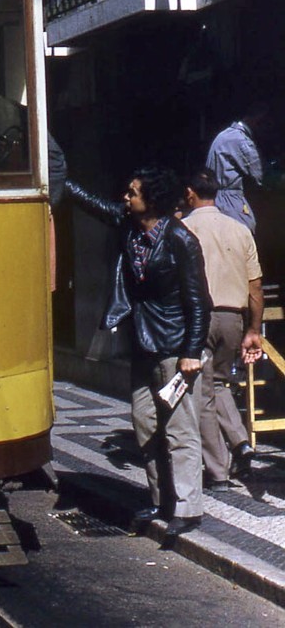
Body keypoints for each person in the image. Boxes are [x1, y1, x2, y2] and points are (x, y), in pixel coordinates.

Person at [68, 167, 211, 541]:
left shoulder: (180, 240)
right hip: (143, 343)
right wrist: (58, 177)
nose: (126, 197)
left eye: (133, 192)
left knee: (179, 429)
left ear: (153, 200)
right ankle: (163, 501)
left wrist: (191, 352)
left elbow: (200, 302)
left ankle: (188, 509)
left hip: (174, 346)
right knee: (145, 422)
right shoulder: (130, 226)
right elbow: (95, 205)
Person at [182, 169, 263, 487]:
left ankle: (217, 471)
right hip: (233, 318)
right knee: (219, 383)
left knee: (201, 393)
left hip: (198, 318)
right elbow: (255, 287)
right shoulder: (240, 230)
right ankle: (241, 442)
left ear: (190, 193)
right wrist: (253, 329)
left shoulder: (183, 228)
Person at [205, 104, 269, 232]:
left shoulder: (224, 135)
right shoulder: (241, 140)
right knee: (244, 231)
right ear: (253, 118)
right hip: (230, 201)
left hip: (215, 198)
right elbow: (259, 175)